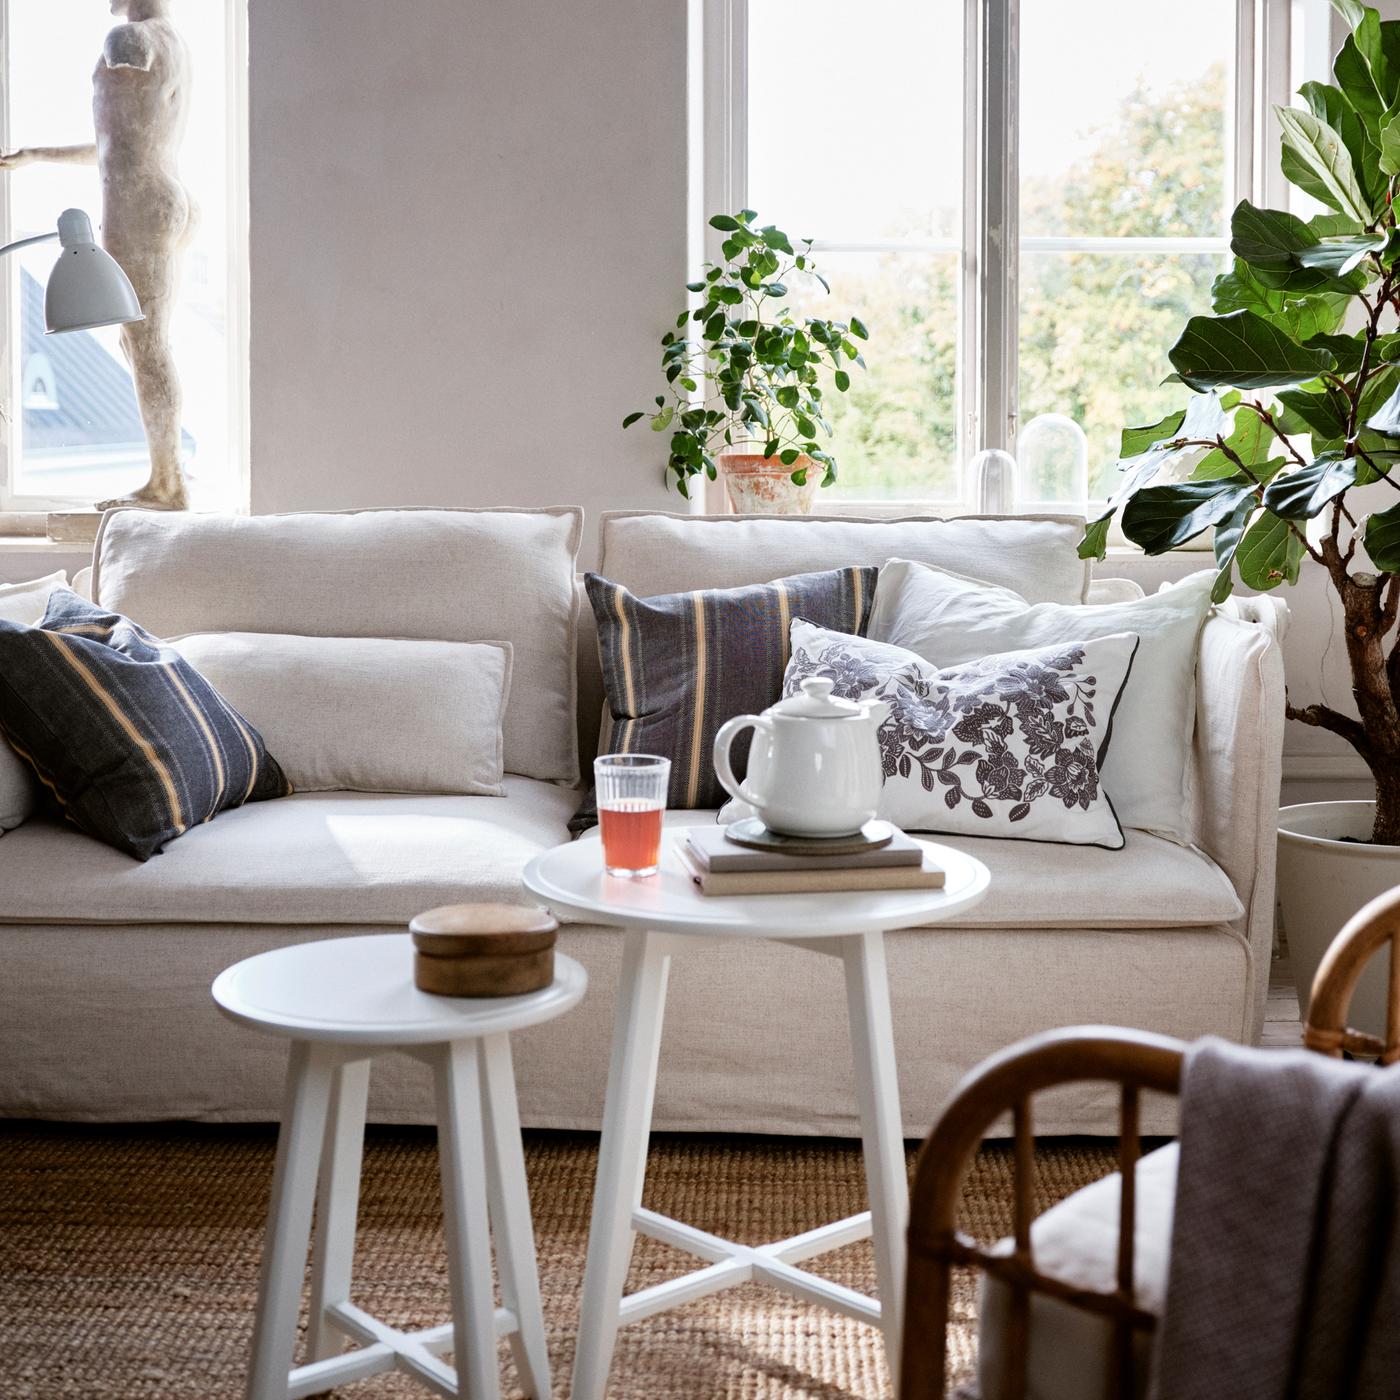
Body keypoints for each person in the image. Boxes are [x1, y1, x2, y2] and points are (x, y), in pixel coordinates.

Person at [0, 0, 196, 510]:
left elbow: (118, 145)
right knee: (140, 346)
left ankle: (168, 484)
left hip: (137, 203)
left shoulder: (127, 42)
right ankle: (167, 473)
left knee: (145, 343)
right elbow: (116, 143)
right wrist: (37, 156)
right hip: (159, 196)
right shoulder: (173, 41)